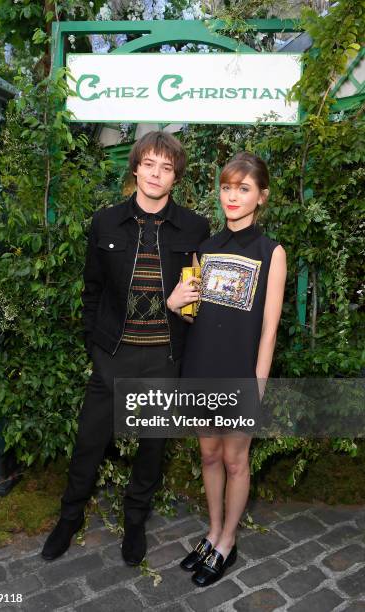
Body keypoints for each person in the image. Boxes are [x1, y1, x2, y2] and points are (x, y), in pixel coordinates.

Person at [41, 131, 209, 565]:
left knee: (152, 445)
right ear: (135, 168)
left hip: (162, 356)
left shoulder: (194, 227)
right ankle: (69, 517)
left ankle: (135, 521)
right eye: (149, 164)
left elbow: (197, 294)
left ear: (175, 177)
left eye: (166, 167)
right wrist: (94, 348)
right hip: (113, 352)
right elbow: (91, 291)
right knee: (89, 440)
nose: (156, 174)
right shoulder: (106, 222)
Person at [167, 152, 287, 587]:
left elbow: (269, 329)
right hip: (202, 366)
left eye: (243, 188)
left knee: (236, 460)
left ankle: (228, 542)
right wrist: (174, 304)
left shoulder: (271, 252)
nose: (232, 197)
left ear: (261, 197)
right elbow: (194, 315)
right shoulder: (206, 246)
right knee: (209, 454)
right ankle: (212, 532)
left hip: (240, 372)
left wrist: (258, 385)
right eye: (227, 187)